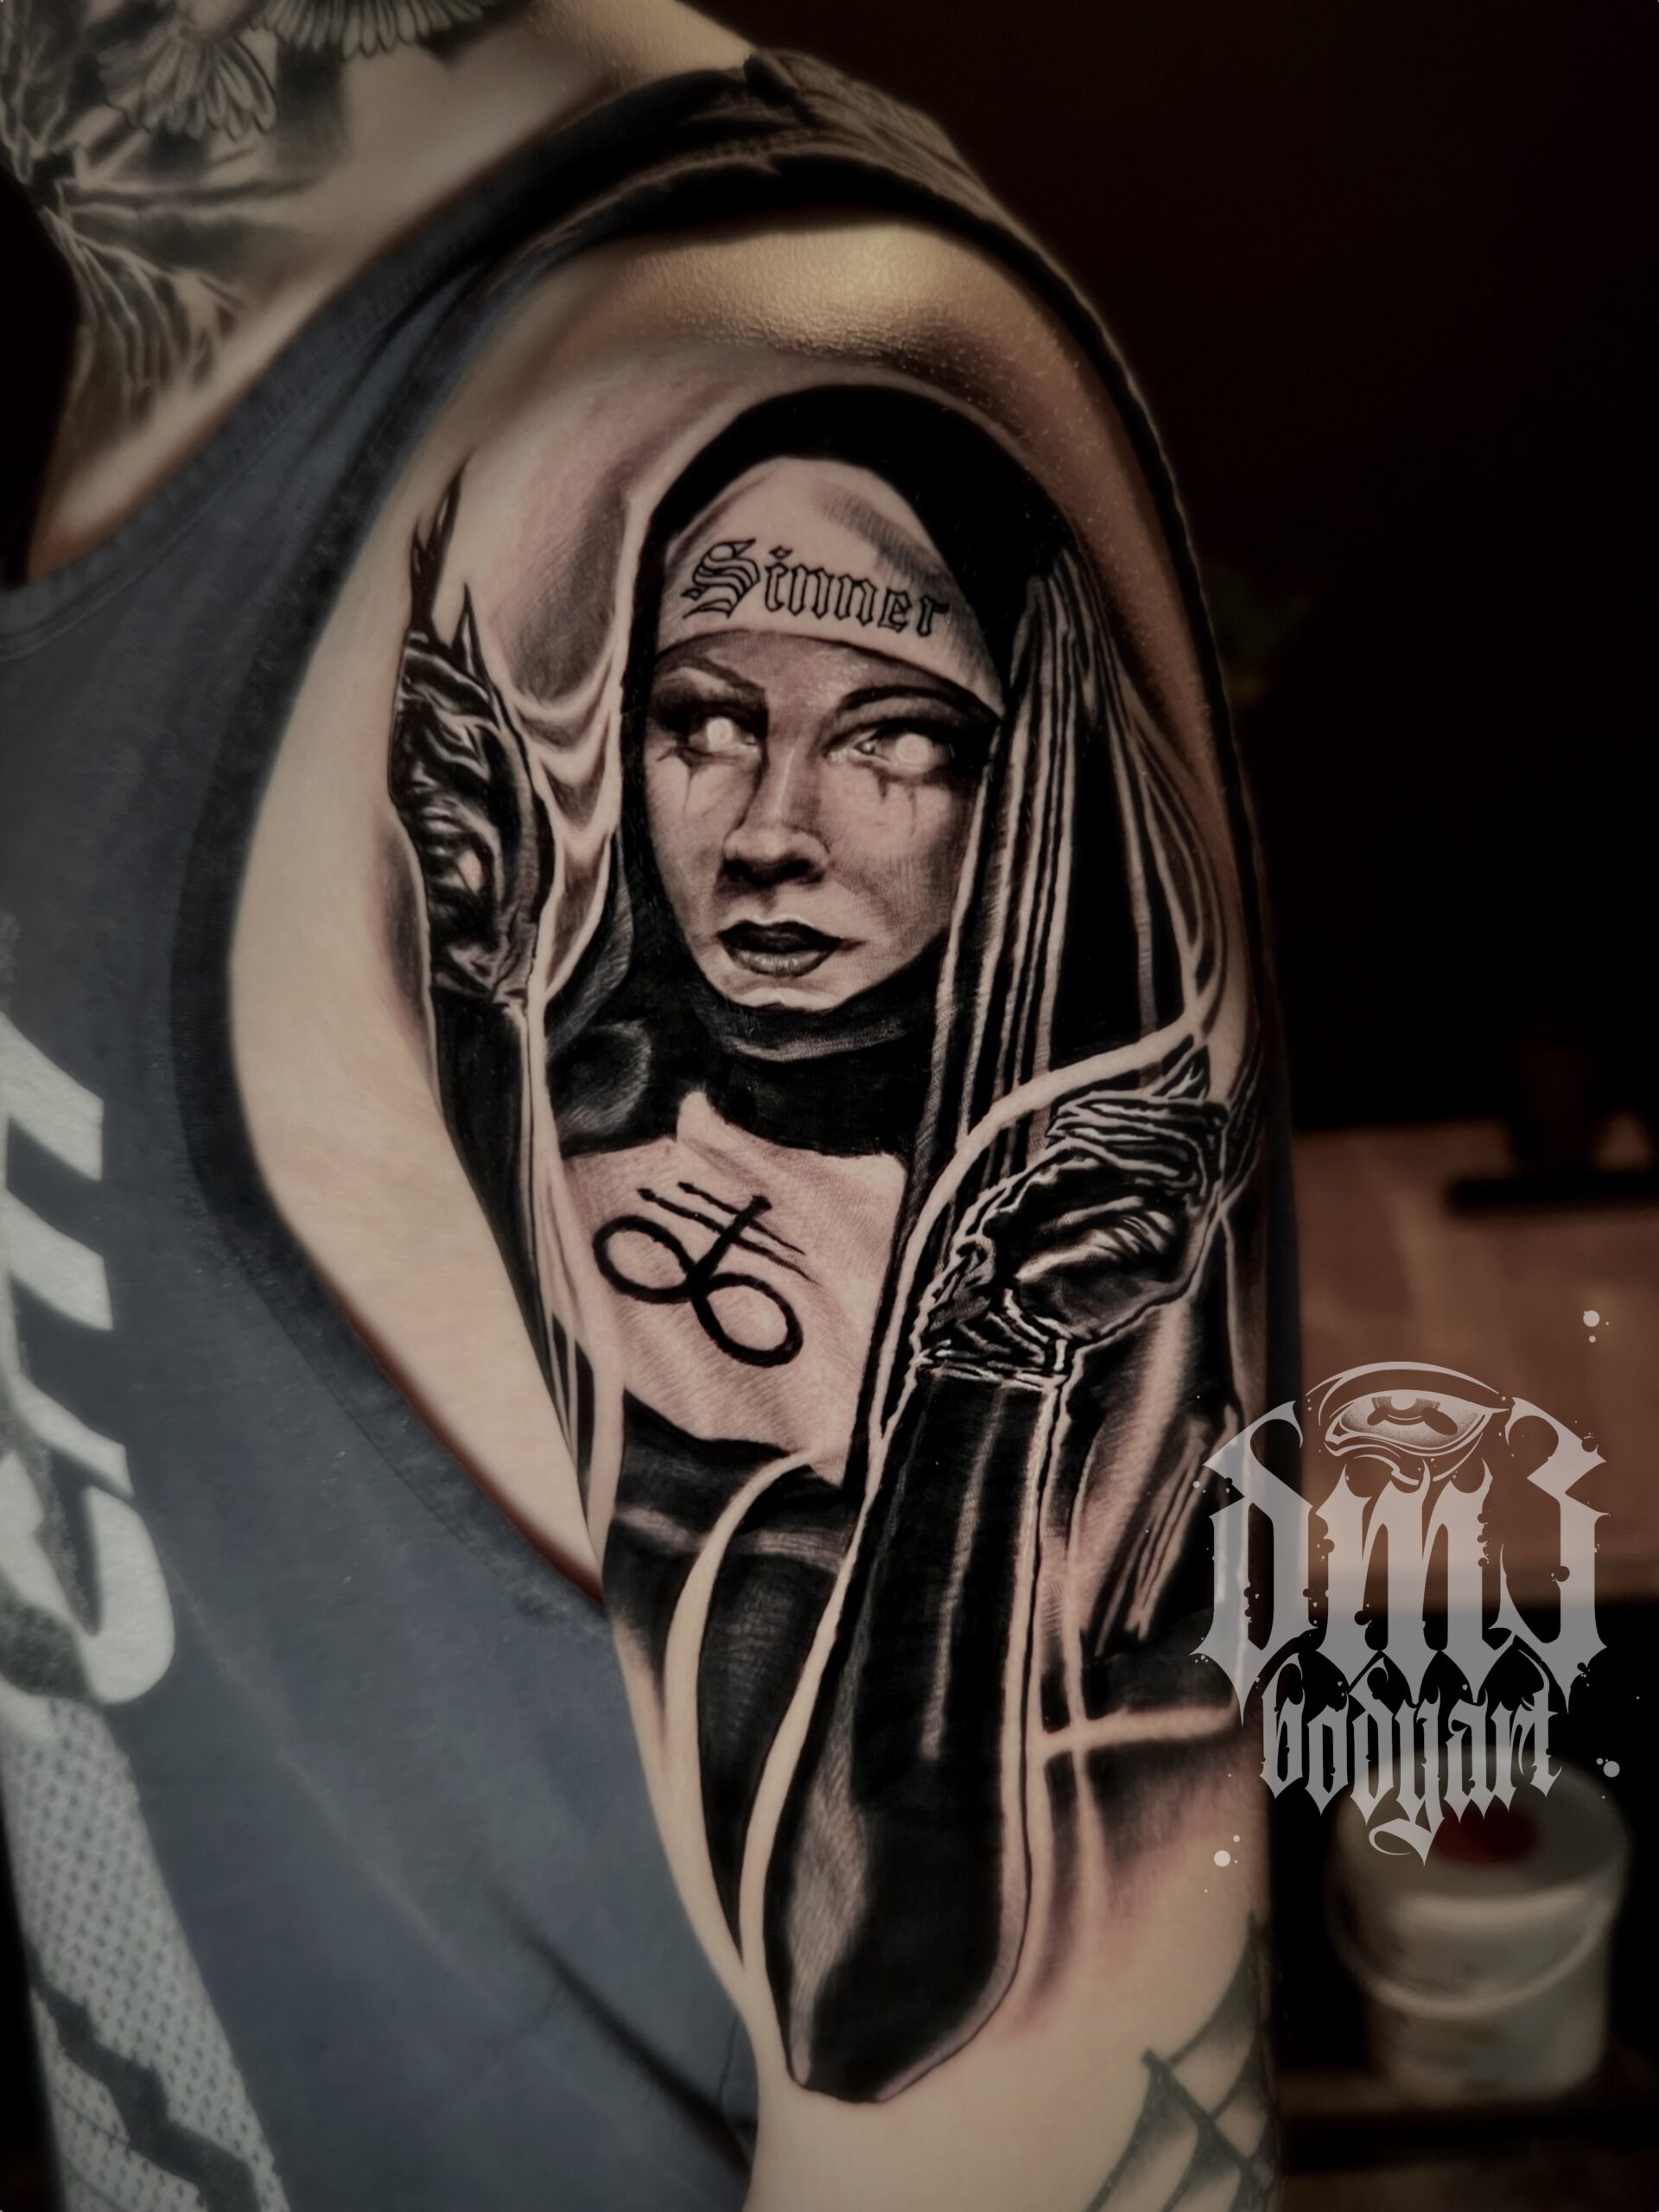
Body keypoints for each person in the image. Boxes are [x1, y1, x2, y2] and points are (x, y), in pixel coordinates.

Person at [0, 3, 1287, 2205]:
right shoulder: (198, 317)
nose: (776, 834)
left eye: (892, 742)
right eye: (702, 723)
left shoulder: (694, 371)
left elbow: (919, 1990)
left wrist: (980, 1386)